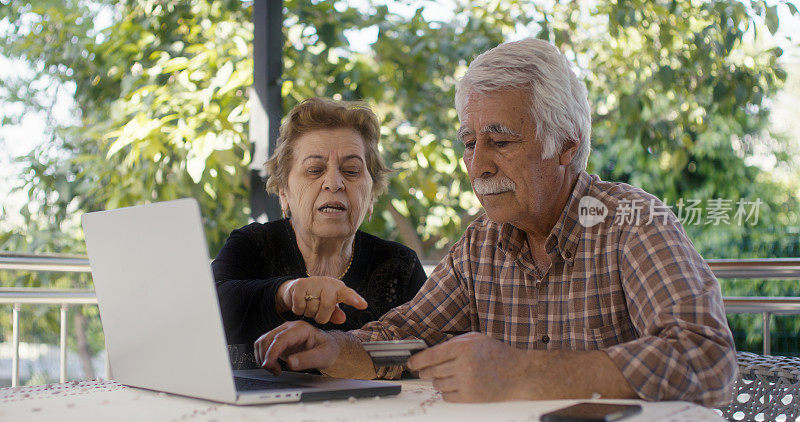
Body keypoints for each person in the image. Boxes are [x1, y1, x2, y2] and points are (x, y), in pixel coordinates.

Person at [252, 39, 737, 407]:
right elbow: (407, 340)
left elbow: (708, 360)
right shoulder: (481, 242)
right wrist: (332, 349)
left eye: (500, 141)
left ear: (566, 145)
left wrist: (524, 372)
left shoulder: (631, 221)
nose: (477, 165)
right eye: (469, 142)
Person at [213, 97, 427, 347]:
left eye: (351, 171)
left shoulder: (400, 267)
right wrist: (285, 293)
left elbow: (430, 348)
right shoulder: (251, 245)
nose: (334, 183)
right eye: (315, 170)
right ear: (284, 192)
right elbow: (205, 311)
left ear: (371, 195)